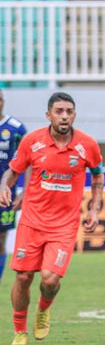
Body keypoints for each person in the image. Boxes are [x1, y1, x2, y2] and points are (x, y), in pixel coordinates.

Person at [0, 92, 104, 345]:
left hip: (64, 225)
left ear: (74, 115)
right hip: (32, 221)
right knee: (24, 277)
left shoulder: (87, 145)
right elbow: (12, 172)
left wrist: (94, 209)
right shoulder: (31, 141)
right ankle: (20, 330)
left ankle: (44, 309)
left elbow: (98, 177)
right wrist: (4, 186)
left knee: (50, 279)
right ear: (48, 115)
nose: (64, 116)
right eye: (59, 111)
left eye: (69, 111)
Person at [0, 89, 28, 285]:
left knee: (1, 240)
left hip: (6, 195)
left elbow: (30, 163)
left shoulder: (16, 128)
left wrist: (25, 192)